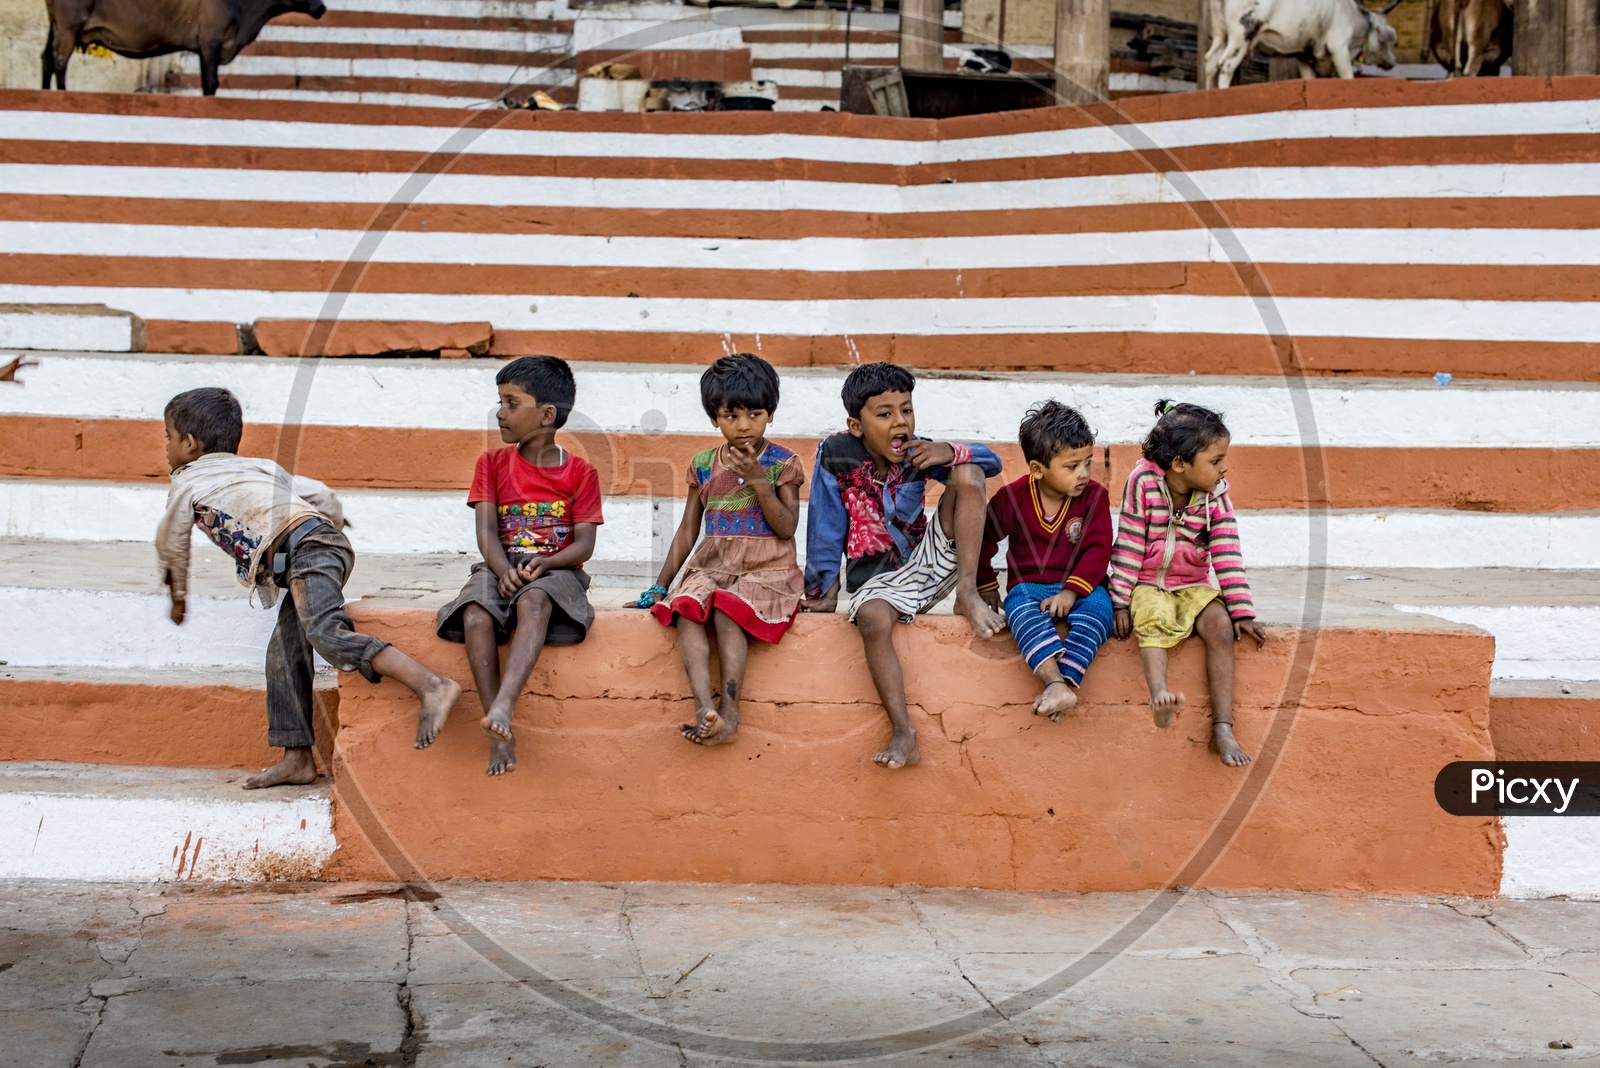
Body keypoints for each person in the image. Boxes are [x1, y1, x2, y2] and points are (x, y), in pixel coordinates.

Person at [157, 387, 461, 789]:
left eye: (167, 436)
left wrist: (177, 594)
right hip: (319, 543)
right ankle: (297, 758)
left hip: (309, 549)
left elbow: (170, 540)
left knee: (324, 632)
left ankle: (431, 684)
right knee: (284, 652)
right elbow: (319, 493)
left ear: (189, 444)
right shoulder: (257, 466)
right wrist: (335, 519)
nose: (165, 446)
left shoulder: (187, 483)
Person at [802, 362, 1005, 770]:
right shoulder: (836, 454)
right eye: (885, 414)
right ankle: (904, 733)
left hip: (927, 566)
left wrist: (948, 452)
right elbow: (824, 524)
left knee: (968, 471)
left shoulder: (921, 451)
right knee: (874, 620)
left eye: (906, 410)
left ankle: (966, 592)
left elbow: (993, 463)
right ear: (856, 426)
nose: (901, 422)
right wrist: (822, 591)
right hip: (877, 585)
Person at [435, 356, 604, 776]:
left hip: (557, 572)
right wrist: (500, 569)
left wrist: (547, 562)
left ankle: (505, 703)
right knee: (475, 614)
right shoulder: (490, 464)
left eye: (512, 403)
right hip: (499, 565)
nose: (500, 412)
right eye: (500, 401)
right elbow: (487, 533)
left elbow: (584, 542)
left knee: (534, 603)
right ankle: (497, 722)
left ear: (546, 414)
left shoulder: (581, 472)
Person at [634, 353, 804, 747]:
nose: (744, 426)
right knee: (687, 610)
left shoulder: (782, 463)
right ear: (714, 419)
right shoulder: (704, 464)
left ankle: (730, 713)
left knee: (728, 609)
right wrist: (660, 588)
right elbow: (688, 529)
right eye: (731, 416)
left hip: (767, 569)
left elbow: (787, 527)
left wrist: (759, 481)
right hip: (714, 565)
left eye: (755, 414)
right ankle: (701, 707)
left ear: (771, 414)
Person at [1109, 399, 1267, 767]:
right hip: (1147, 582)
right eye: (1215, 461)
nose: (1224, 467)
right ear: (1179, 464)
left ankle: (1223, 727)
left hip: (1192, 582)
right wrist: (1120, 600)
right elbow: (1130, 541)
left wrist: (1241, 610)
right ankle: (1159, 695)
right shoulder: (1142, 483)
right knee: (1152, 614)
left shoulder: (1216, 493)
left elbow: (1227, 550)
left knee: (1220, 624)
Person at [977, 401, 1114, 721]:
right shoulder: (1012, 498)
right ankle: (1053, 680)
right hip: (1030, 587)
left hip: (1082, 587)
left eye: (1088, 462)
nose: (1083, 474)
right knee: (1018, 611)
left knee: (1100, 611)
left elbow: (1098, 549)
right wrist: (985, 584)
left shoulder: (1095, 497)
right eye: (1071, 466)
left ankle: (1063, 684)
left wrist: (1071, 592)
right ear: (1038, 469)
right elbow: (983, 539)